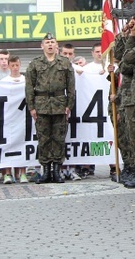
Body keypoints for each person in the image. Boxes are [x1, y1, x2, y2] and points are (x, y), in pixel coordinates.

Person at [25, 33, 76, 184]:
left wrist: (69, 105)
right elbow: (29, 87)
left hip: (60, 104)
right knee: (44, 138)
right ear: (42, 46)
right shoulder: (35, 64)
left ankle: (56, 170)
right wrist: (31, 107)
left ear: (56, 45)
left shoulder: (65, 63)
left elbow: (71, 86)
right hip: (41, 105)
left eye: (52, 42)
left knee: (59, 138)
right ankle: (46, 170)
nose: (50, 45)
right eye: (47, 42)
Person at [0, 55, 28, 184]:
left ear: (20, 65)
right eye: (13, 66)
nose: (15, 68)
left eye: (17, 65)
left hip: (22, 117)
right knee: (8, 145)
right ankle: (7, 174)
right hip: (8, 117)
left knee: (22, 144)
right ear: (9, 66)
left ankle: (22, 173)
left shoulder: (25, 80)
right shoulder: (4, 81)